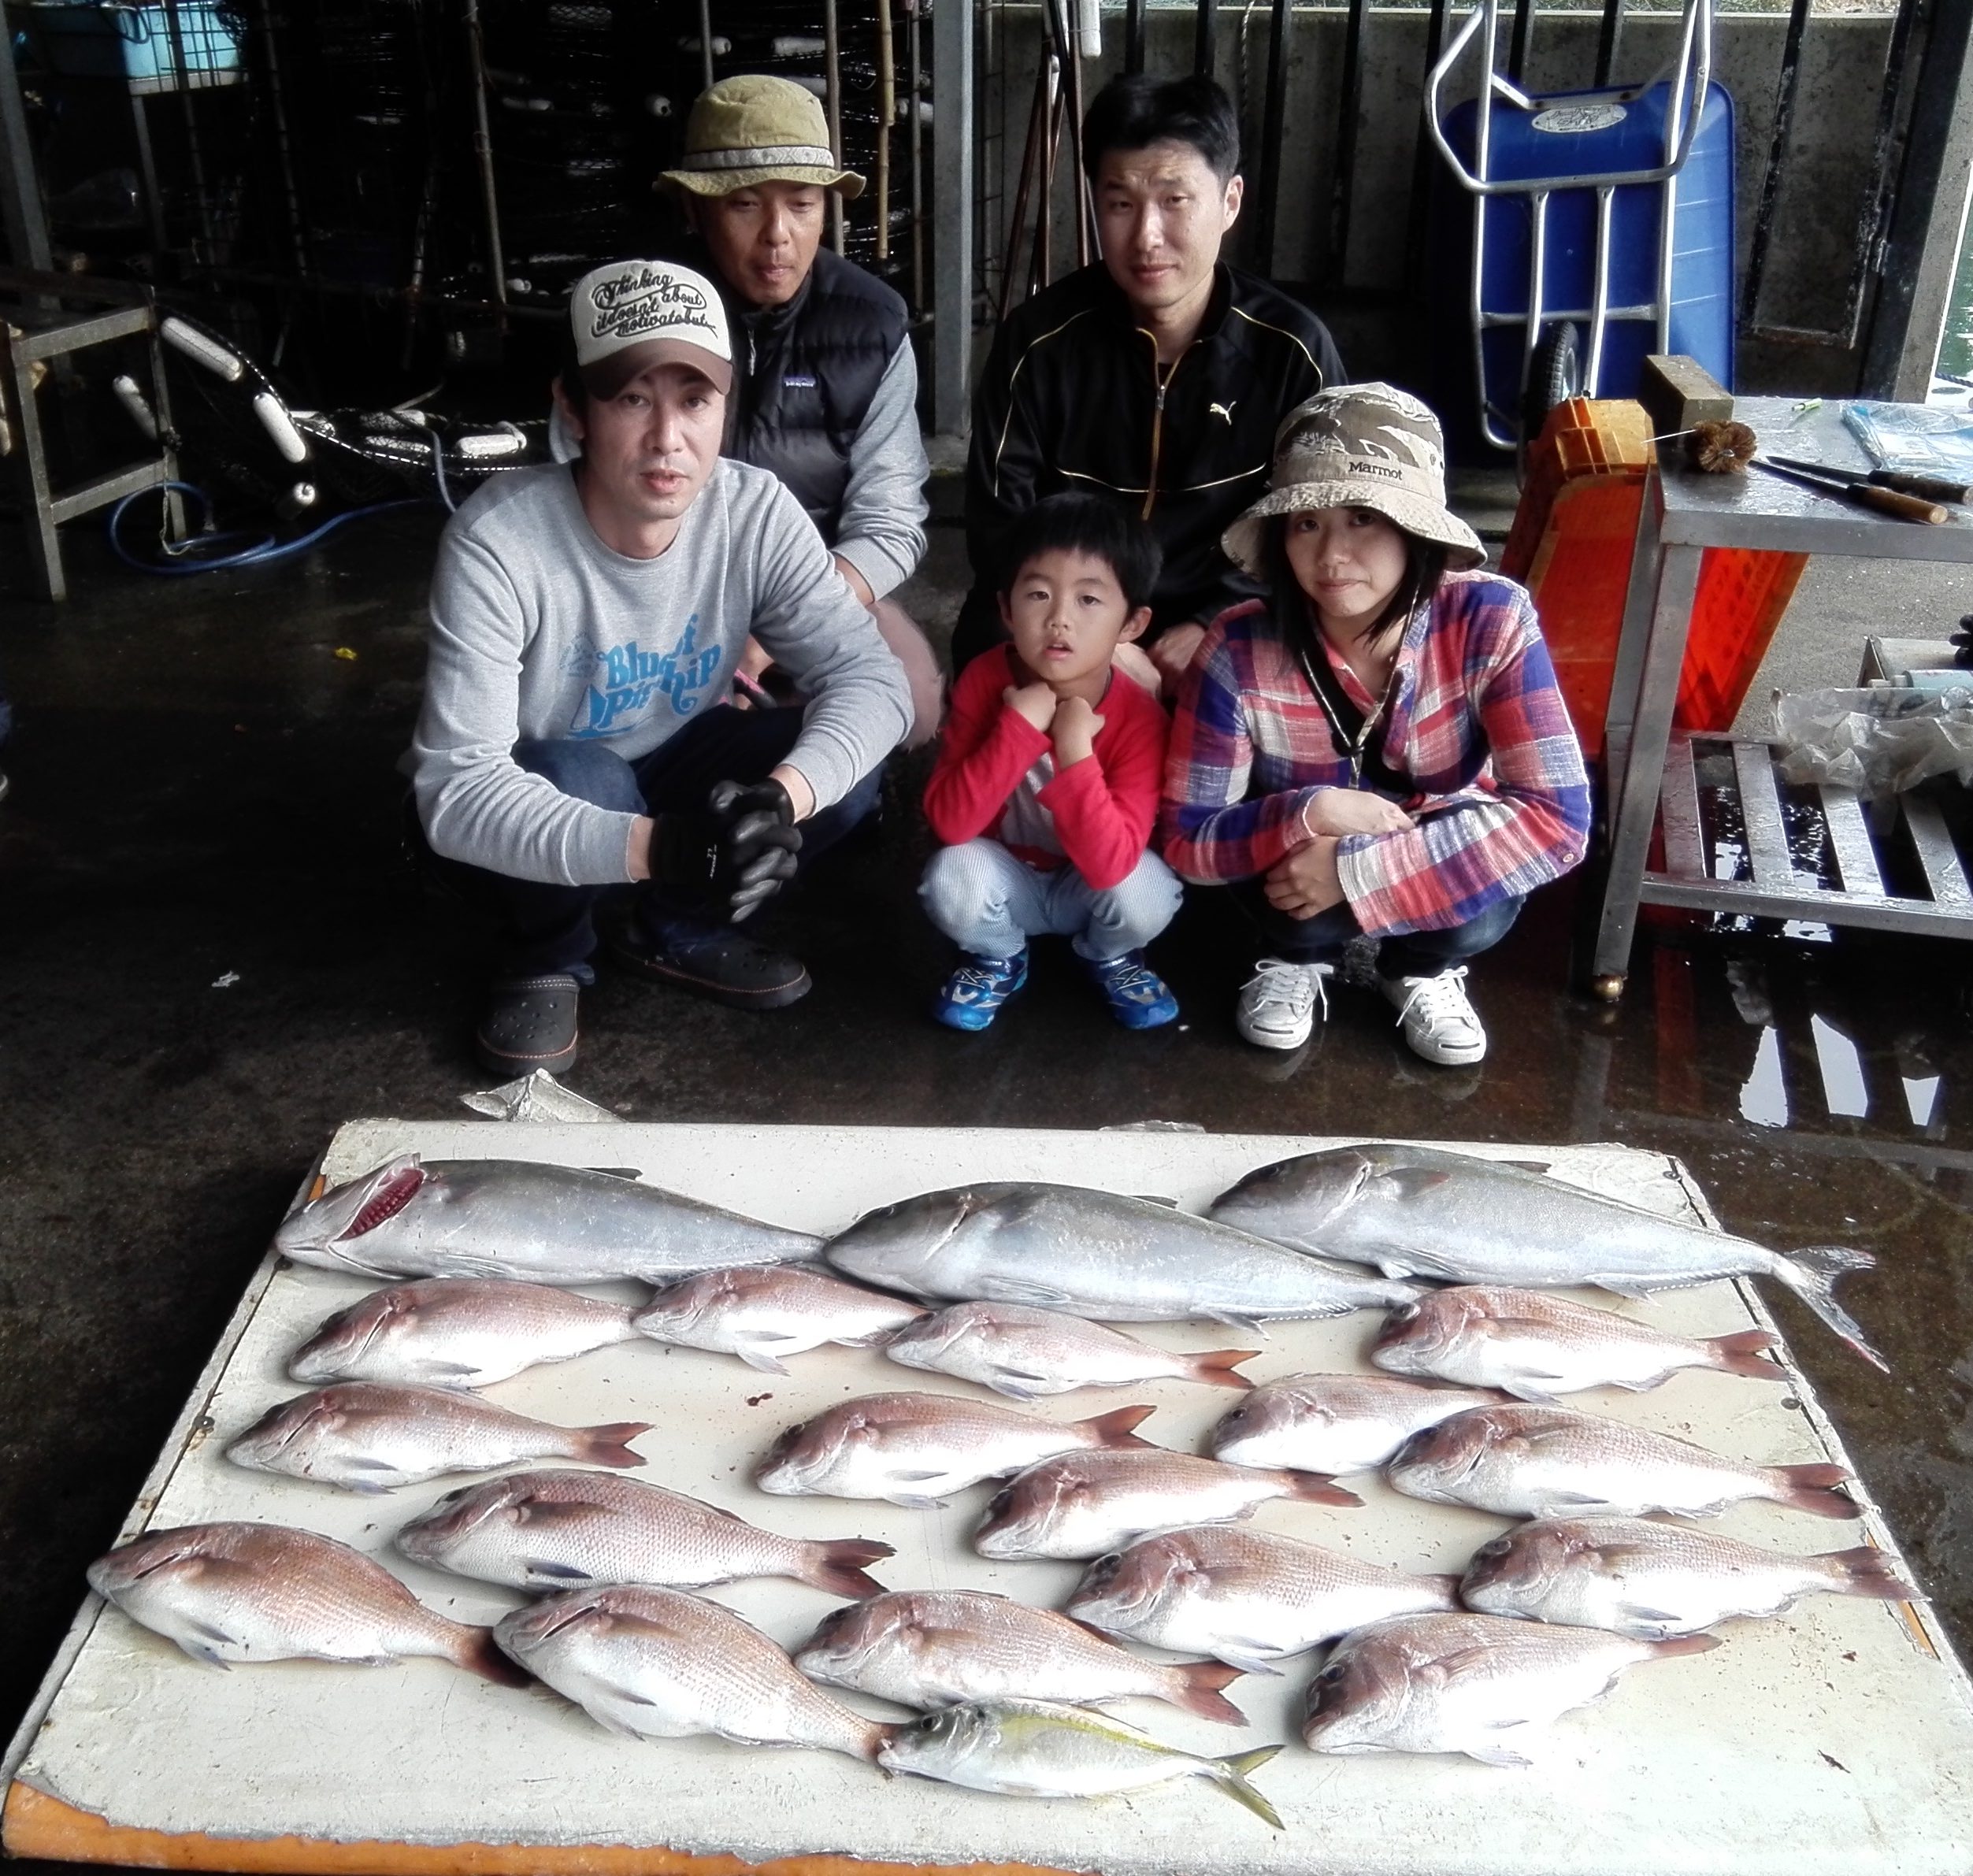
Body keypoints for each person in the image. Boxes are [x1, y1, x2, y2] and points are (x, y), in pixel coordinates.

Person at [411, 258, 911, 1077]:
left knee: (845, 775)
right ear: (572, 408)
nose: (666, 438)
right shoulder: (498, 541)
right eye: (631, 398)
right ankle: (547, 954)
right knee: (585, 777)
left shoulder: (755, 511)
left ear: (725, 409)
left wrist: (776, 803)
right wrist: (672, 848)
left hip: (676, 761)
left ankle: (672, 929)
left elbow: (874, 682)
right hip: (551, 783)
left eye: (694, 399)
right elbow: (456, 791)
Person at [1161, 383, 1590, 1066]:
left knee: (1478, 912)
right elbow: (1187, 840)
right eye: (1306, 522)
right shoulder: (1236, 646)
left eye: (1362, 517)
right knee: (1279, 898)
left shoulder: (1492, 619)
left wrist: (1356, 871)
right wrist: (1313, 812)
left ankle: (1418, 968)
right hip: (1292, 866)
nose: (1330, 556)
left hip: (1431, 841)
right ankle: (1293, 957)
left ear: (1414, 530)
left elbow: (1557, 821)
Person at [956, 72, 1346, 695]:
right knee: (993, 680)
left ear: (1230, 201)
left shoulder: (1290, 350)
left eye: (1174, 200)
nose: (1145, 237)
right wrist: (1096, 640)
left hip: (1227, 612)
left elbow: (1321, 520)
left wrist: (1214, 619)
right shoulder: (1038, 342)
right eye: (1120, 203)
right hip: (1060, 610)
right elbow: (1001, 526)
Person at [653, 73, 942, 747]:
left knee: (915, 706)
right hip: (661, 597)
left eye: (803, 204)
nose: (778, 235)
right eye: (745, 206)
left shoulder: (872, 325)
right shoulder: (646, 313)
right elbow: (591, 497)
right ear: (696, 211)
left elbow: (890, 520)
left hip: (814, 587)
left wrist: (775, 628)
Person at [921, 492, 1181, 1033]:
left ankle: (1104, 954)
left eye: (1089, 601)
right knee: (951, 875)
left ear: (1132, 624)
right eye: (1038, 594)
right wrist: (1016, 728)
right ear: (1006, 608)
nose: (1059, 619)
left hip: (1088, 885)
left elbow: (1111, 865)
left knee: (1147, 892)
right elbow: (950, 823)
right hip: (1007, 876)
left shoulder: (1139, 718)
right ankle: (998, 955)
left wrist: (1074, 750)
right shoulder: (985, 681)